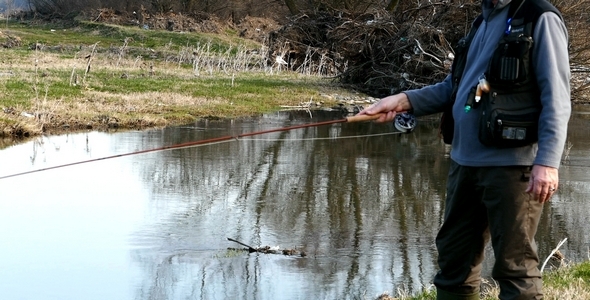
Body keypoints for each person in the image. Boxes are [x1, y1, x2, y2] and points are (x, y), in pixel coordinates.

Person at [357, 0, 571, 299]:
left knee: (515, 268)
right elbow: (457, 88)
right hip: (464, 163)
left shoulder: (539, 16)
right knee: (453, 266)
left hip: (514, 168)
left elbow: (557, 98)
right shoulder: (481, 21)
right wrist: (403, 99)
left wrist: (547, 162)